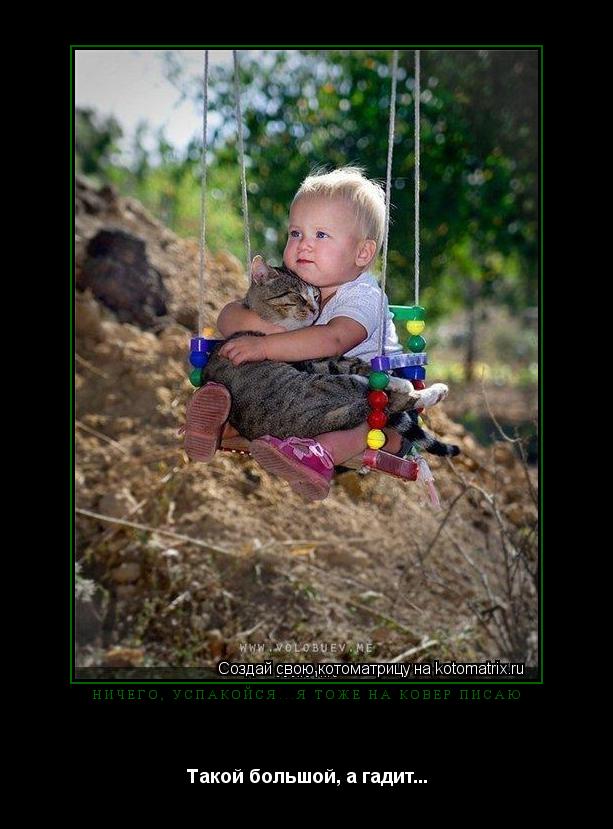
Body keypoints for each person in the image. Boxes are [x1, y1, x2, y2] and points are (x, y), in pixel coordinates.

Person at [185, 167, 448, 500]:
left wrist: (265, 347)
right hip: (308, 398)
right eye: (296, 233)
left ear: (362, 253)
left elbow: (333, 339)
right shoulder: (300, 288)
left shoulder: (362, 296)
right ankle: (221, 421)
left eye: (321, 235)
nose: (303, 245)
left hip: (374, 399)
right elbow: (230, 316)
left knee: (372, 425)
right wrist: (260, 331)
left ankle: (317, 457)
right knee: (239, 364)